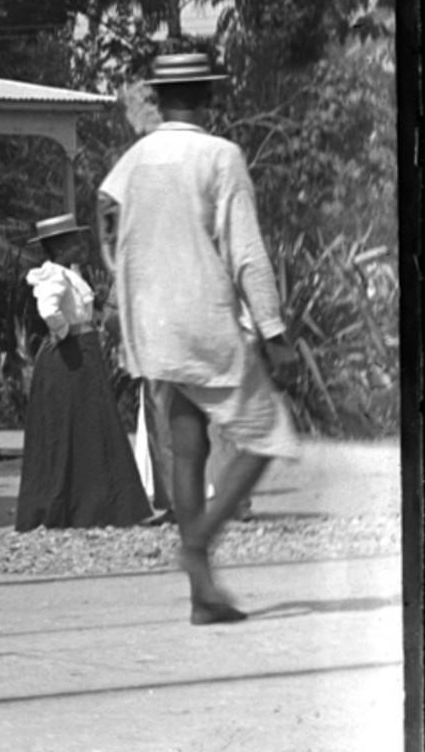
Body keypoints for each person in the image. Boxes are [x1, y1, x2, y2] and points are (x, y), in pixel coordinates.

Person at [99, 47, 301, 626]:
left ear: (158, 101)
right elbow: (246, 253)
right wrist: (273, 329)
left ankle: (202, 598)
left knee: (189, 449)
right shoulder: (221, 155)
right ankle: (197, 547)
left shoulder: (133, 160)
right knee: (267, 438)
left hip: (154, 327)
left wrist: (130, 293)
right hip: (206, 319)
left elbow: (108, 224)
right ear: (208, 97)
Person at [13, 215, 152, 532]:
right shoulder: (55, 276)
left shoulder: (70, 275)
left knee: (92, 424)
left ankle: (99, 504)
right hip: (71, 353)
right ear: (62, 247)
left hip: (84, 351)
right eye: (75, 242)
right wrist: (62, 332)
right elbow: (48, 309)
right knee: (72, 425)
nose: (82, 246)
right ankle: (72, 505)